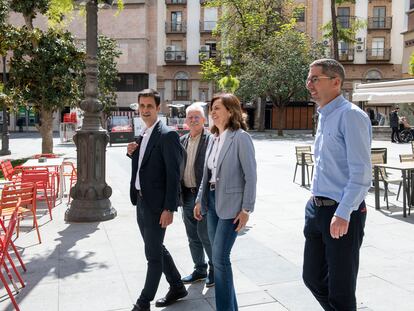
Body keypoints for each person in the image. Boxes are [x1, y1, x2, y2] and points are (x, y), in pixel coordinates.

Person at [303, 59, 371, 311]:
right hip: (316, 209)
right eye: (308, 79)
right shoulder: (324, 115)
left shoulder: (351, 116)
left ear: (336, 82)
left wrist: (343, 213)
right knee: (311, 277)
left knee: (341, 290)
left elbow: (362, 173)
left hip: (342, 212)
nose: (309, 84)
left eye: (314, 79)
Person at [194, 93, 257, 311]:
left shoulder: (240, 137)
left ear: (231, 111)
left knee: (220, 259)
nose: (212, 112)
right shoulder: (213, 138)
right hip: (211, 202)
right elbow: (206, 174)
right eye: (211, 108)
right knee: (217, 258)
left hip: (231, 206)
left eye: (218, 108)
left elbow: (251, 176)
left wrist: (247, 208)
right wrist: (199, 200)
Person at [127, 89, 187, 311]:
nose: (145, 110)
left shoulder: (167, 134)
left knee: (152, 255)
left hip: (157, 206)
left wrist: (169, 208)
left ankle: (143, 303)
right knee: (155, 248)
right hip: (142, 202)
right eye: (141, 106)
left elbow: (174, 175)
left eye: (149, 106)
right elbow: (145, 166)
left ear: (158, 108)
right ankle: (178, 286)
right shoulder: (144, 133)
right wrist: (132, 152)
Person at [180, 103, 214, 287]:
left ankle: (214, 270)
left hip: (203, 197)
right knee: (192, 235)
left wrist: (203, 198)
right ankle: (199, 269)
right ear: (186, 120)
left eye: (197, 117)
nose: (193, 120)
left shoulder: (210, 139)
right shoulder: (182, 140)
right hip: (186, 195)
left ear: (204, 120)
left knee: (205, 235)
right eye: (190, 117)